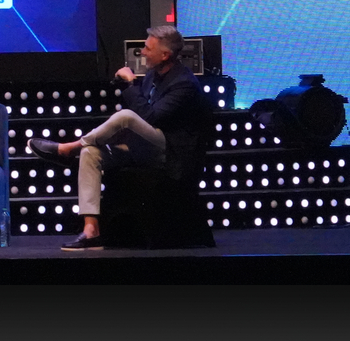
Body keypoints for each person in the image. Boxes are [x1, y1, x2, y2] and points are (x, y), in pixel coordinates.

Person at [25, 25, 212, 250]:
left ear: (165, 55)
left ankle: (68, 149)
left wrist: (130, 85)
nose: (142, 52)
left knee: (125, 117)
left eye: (148, 48)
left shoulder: (184, 83)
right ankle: (91, 230)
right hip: (145, 148)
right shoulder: (152, 76)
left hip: (171, 154)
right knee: (90, 153)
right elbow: (143, 116)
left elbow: (150, 117)